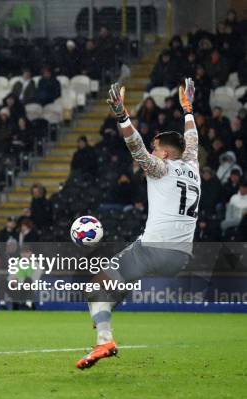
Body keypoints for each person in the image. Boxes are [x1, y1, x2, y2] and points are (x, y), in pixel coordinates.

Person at [76, 79, 199, 370]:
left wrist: (121, 115)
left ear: (165, 153)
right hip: (181, 257)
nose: (153, 152)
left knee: (95, 290)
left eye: (157, 148)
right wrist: (188, 110)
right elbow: (192, 140)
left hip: (154, 248)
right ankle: (109, 310)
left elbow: (136, 148)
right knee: (111, 286)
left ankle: (104, 339)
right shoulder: (193, 167)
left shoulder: (162, 169)